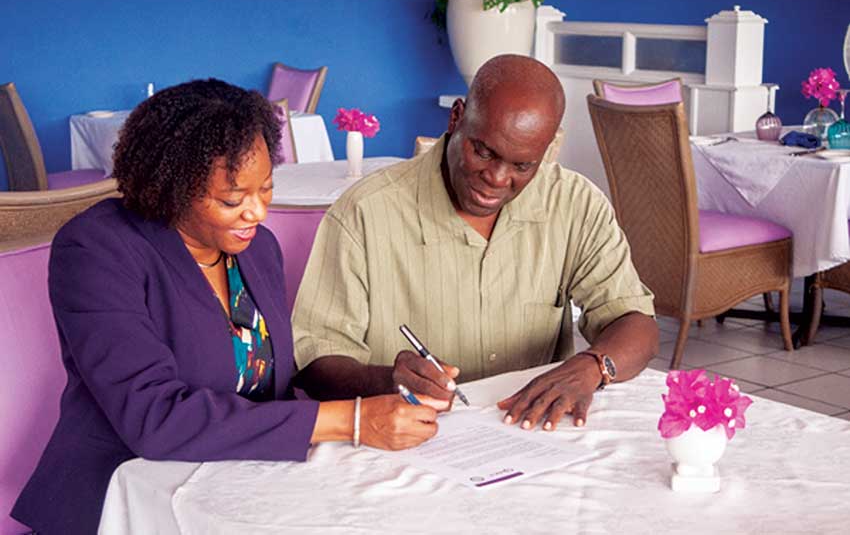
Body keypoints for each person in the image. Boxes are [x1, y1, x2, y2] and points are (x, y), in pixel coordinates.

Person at [12, 79, 441, 535]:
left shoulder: (257, 251)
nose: (257, 213)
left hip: (237, 490)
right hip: (123, 499)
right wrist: (350, 421)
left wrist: (385, 383)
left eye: (266, 190)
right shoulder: (98, 250)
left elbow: (268, 380)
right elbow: (155, 417)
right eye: (232, 200)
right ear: (172, 186)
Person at [292, 55, 659, 431]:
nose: (497, 179)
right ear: (456, 119)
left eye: (522, 166)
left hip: (532, 436)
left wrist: (593, 366)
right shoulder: (365, 212)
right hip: (406, 440)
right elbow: (315, 363)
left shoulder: (574, 203)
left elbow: (635, 323)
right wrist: (387, 379)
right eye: (483, 151)